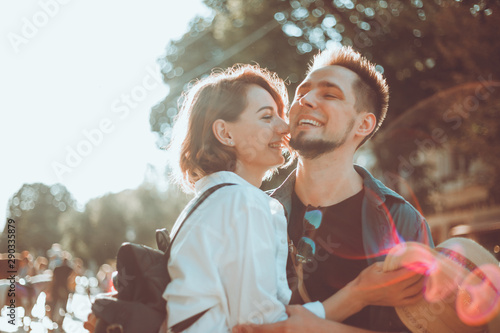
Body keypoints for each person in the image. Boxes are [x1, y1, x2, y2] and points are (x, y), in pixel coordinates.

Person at [233, 46, 434, 333]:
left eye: (329, 94)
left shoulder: (404, 223)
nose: (305, 100)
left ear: (363, 124)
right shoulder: (250, 214)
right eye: (302, 93)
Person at [163, 64, 325, 332]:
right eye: (266, 117)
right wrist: (359, 294)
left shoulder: (212, 202)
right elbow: (261, 324)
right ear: (225, 133)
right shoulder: (243, 202)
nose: (285, 127)